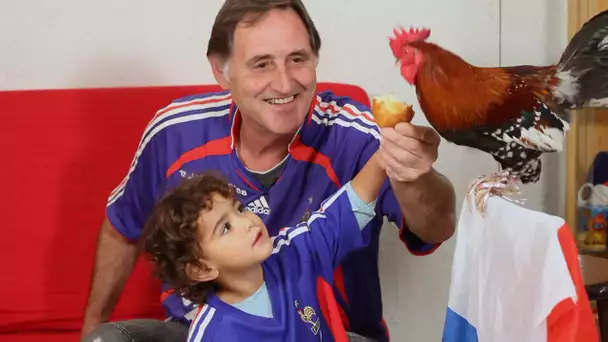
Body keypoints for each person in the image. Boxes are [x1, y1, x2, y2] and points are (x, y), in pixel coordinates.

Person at [81, 0, 457, 341]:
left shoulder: (299, 247)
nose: (283, 82)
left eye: (297, 58)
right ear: (221, 71)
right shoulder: (174, 131)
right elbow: (122, 227)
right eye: (262, 63)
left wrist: (406, 166)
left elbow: (429, 224)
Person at [141, 149, 387, 342]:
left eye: (239, 209)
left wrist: (384, 155)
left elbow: (350, 206)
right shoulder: (214, 334)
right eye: (225, 228)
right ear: (201, 269)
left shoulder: (295, 253)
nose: (247, 222)